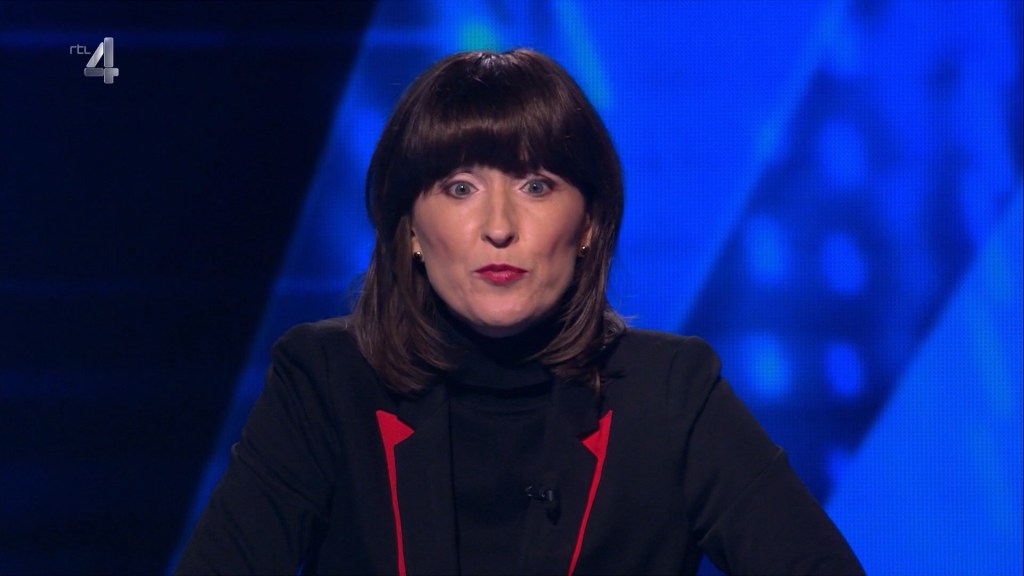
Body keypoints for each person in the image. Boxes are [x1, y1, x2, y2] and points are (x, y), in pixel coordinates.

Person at [175, 48, 864, 575]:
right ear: (409, 228)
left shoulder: (670, 394)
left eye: (536, 185)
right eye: (460, 187)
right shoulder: (325, 382)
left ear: (588, 223)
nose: (499, 227)